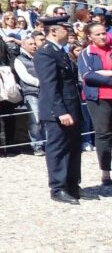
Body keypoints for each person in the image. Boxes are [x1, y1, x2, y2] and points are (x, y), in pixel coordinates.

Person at [34, 15, 92, 204]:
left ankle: (73, 184)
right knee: (58, 148)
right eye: (65, 29)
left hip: (71, 106)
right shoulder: (45, 53)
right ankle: (58, 187)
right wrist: (60, 111)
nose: (69, 32)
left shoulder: (61, 51)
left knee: (74, 147)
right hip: (58, 110)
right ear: (53, 31)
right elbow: (49, 86)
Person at [77, 22, 112, 186]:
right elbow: (88, 75)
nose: (102, 36)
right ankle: (105, 171)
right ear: (90, 37)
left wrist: (104, 74)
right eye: (97, 34)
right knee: (103, 133)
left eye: (103, 33)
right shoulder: (86, 53)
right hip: (98, 97)